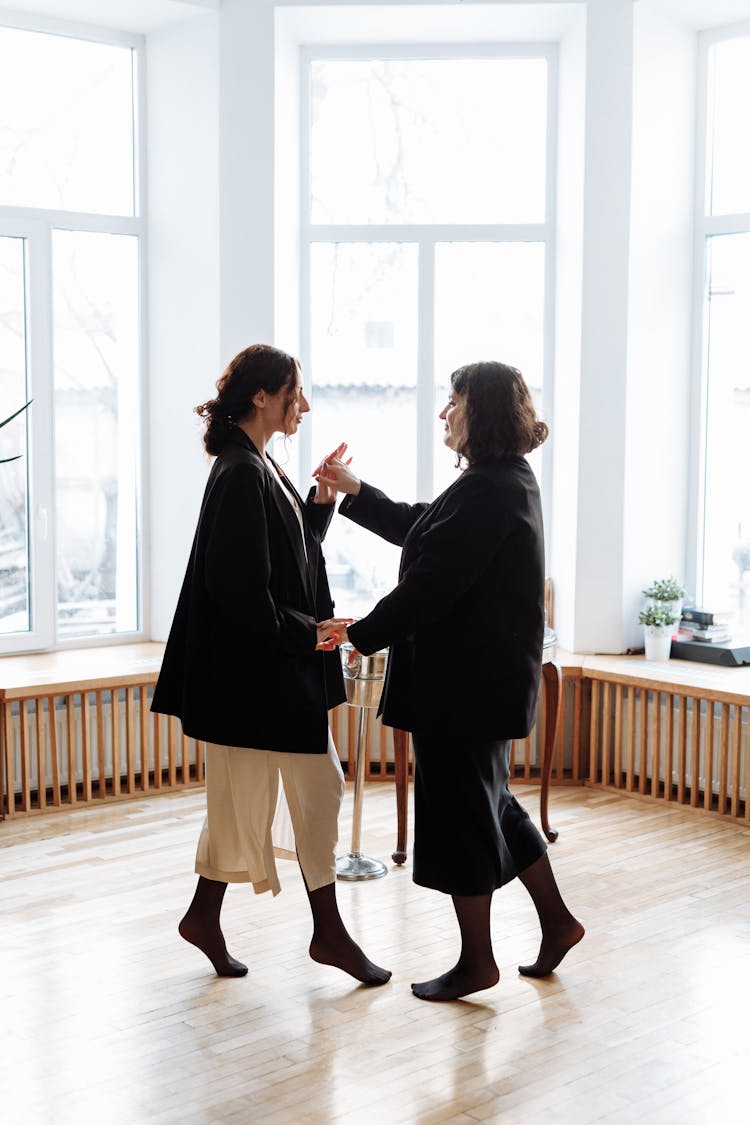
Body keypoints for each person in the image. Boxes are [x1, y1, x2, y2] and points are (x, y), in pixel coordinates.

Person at [315, 360, 584, 1001]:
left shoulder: (491, 489)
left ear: (479, 411)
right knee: (495, 808)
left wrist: (357, 635)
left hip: (466, 690)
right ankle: (558, 922)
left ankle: (476, 963)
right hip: (479, 685)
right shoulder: (497, 482)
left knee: (465, 818)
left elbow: (431, 588)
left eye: (453, 402)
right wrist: (355, 489)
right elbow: (421, 527)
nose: (444, 414)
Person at [151, 343, 390, 987]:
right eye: (295, 392)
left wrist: (318, 498)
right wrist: (312, 634)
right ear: (261, 396)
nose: (303, 405)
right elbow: (239, 595)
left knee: (257, 802)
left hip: (266, 676)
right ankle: (328, 935)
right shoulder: (239, 473)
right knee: (311, 793)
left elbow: (291, 555)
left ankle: (219, 917)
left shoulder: (259, 466)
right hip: (260, 679)